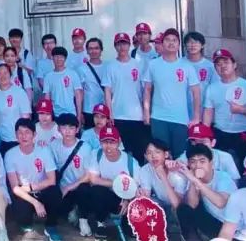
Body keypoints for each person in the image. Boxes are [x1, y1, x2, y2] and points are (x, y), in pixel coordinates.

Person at [174, 143, 238, 241]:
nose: (197, 165)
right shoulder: (194, 178)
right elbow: (192, 205)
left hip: (229, 229)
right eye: (193, 162)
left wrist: (196, 181)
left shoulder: (223, 177)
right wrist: (193, 181)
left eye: (202, 161)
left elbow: (220, 202)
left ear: (211, 163)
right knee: (183, 209)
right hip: (211, 220)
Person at [142, 28, 201, 158]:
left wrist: (196, 117)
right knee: (161, 156)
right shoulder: (153, 64)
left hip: (181, 119)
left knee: (181, 156)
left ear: (179, 44)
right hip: (159, 118)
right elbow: (147, 89)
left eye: (174, 40)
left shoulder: (187, 66)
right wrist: (146, 113)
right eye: (168, 40)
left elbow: (196, 92)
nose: (171, 43)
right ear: (162, 43)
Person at [5, 118, 63, 241]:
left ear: (34, 135)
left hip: (41, 190)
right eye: (20, 133)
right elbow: (15, 187)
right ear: (15, 135)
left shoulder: (44, 151)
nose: (23, 136)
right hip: (24, 194)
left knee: (55, 192)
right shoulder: (10, 155)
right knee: (23, 220)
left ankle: (51, 226)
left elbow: (52, 180)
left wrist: (31, 187)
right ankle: (29, 217)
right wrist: (35, 203)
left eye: (27, 132)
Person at [202, 49, 246, 168]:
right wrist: (205, 135)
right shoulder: (211, 88)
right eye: (218, 64)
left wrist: (242, 110)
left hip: (244, 134)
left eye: (226, 62)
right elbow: (208, 112)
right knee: (222, 167)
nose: (222, 66)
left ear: (234, 65)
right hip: (221, 133)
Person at [82, 125, 138, 241]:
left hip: (127, 199)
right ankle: (100, 223)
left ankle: (126, 223)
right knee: (96, 190)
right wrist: (117, 184)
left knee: (130, 230)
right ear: (100, 142)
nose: (108, 146)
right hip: (108, 196)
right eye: (104, 142)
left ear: (119, 142)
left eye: (112, 142)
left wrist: (127, 199)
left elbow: (137, 186)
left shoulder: (129, 161)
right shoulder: (96, 154)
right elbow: (94, 179)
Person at [101, 32, 149, 162]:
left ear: (130, 45)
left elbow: (145, 90)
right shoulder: (110, 66)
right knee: (121, 152)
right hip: (118, 116)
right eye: (119, 44)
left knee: (139, 152)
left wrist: (146, 112)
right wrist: (109, 113)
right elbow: (107, 91)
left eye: (125, 43)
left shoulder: (138, 64)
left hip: (137, 116)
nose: (122, 47)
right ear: (115, 46)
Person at [51, 113, 97, 237]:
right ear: (58, 129)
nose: (67, 131)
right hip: (63, 189)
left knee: (83, 189)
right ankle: (73, 210)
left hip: (81, 186)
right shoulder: (54, 145)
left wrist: (69, 187)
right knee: (58, 209)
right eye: (64, 127)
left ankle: (83, 220)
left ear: (77, 130)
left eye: (71, 128)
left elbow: (89, 175)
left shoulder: (85, 148)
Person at [0, 62, 32, 156]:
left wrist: (23, 138)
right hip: (1, 140)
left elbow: (26, 117)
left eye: (5, 73)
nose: (2, 76)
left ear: (10, 75)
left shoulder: (19, 92)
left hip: (17, 140)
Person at [175, 123, 241, 182]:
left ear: (213, 142)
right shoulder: (187, 155)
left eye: (202, 141)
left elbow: (234, 182)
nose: (198, 145)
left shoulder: (225, 157)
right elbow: (175, 165)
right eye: (194, 142)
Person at [137, 139, 187, 212]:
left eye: (157, 152)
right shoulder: (145, 170)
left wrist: (163, 176)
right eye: (149, 153)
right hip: (162, 203)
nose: (153, 156)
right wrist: (140, 195)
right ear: (146, 156)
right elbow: (146, 197)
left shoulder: (177, 171)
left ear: (166, 154)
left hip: (182, 206)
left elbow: (177, 205)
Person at [41, 47, 83, 120]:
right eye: (56, 56)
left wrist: (79, 115)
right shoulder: (48, 76)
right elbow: (47, 97)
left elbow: (78, 95)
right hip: (56, 114)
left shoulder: (73, 74)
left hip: (71, 113)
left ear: (65, 59)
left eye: (61, 57)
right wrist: (48, 115)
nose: (58, 59)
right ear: (52, 58)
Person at [77, 37, 105, 127]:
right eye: (91, 49)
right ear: (87, 51)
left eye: (96, 48)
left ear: (101, 50)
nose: (94, 51)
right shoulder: (81, 69)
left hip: (105, 110)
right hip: (89, 110)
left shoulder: (108, 67)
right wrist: (80, 112)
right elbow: (80, 93)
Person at [183, 32, 216, 96]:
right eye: (189, 42)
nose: (193, 45)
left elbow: (214, 87)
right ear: (185, 45)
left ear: (202, 45)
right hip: (183, 102)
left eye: (196, 42)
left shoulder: (210, 66)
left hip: (203, 101)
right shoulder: (179, 64)